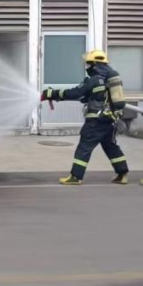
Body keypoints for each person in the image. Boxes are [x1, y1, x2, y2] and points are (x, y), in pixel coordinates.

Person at [41, 50, 129, 185]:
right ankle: (122, 174)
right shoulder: (108, 79)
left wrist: (52, 93)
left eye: (88, 64)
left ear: (94, 64)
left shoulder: (95, 80)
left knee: (84, 147)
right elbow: (88, 97)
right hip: (110, 120)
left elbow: (76, 92)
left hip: (96, 121)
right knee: (110, 146)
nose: (87, 66)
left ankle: (76, 177)